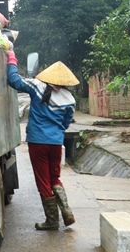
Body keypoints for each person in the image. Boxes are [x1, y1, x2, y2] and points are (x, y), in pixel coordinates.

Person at [6, 53, 78, 230]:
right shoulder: (70, 99)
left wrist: (11, 60)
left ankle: (52, 221)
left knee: (43, 181)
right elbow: (67, 122)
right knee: (55, 178)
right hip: (56, 142)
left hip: (38, 142)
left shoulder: (36, 86)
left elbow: (14, 81)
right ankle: (66, 210)